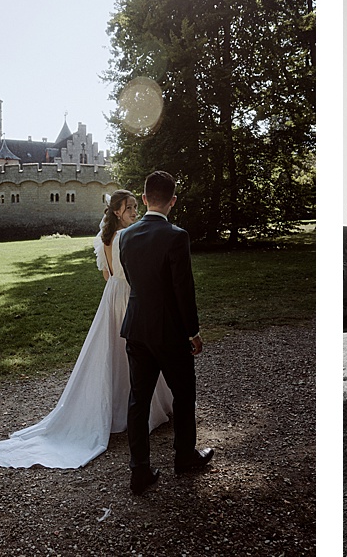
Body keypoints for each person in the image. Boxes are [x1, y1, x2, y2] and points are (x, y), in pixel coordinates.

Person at [0, 190, 174, 468]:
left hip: (112, 294)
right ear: (118, 212)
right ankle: (136, 410)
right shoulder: (125, 237)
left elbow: (107, 274)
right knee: (135, 350)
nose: (135, 212)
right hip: (129, 295)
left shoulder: (106, 238)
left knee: (116, 352)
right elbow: (133, 272)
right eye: (130, 208)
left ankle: (126, 408)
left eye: (135, 207)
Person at [119, 171, 213, 496]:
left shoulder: (126, 237)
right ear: (172, 201)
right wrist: (193, 332)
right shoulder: (177, 236)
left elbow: (133, 280)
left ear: (144, 199)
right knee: (184, 394)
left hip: (136, 328)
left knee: (138, 401)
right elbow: (183, 290)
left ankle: (139, 471)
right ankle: (184, 457)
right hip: (170, 332)